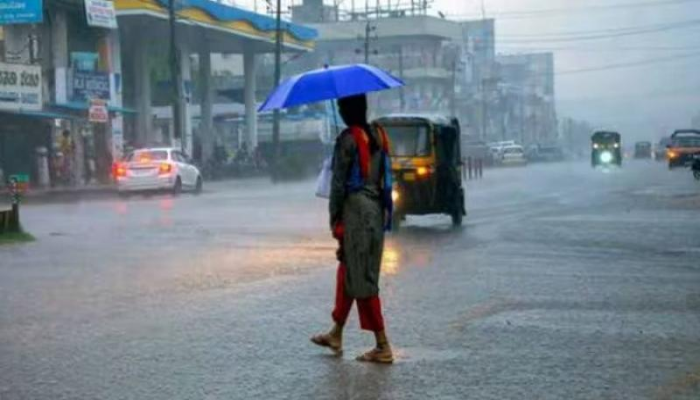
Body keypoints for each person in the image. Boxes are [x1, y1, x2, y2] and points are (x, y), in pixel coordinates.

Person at [311, 94, 394, 364]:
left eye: (341, 107)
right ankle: (336, 332)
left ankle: (382, 345)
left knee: (363, 279)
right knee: (349, 271)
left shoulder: (347, 140)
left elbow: (337, 186)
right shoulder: (380, 135)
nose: (340, 111)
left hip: (356, 214)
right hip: (375, 211)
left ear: (347, 110)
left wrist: (335, 218)